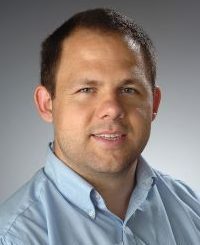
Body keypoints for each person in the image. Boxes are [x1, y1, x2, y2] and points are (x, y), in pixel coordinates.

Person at [0, 8, 199, 245]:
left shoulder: (193, 211)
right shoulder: (13, 237)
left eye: (128, 90)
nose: (112, 109)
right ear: (47, 104)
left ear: (153, 103)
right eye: (86, 90)